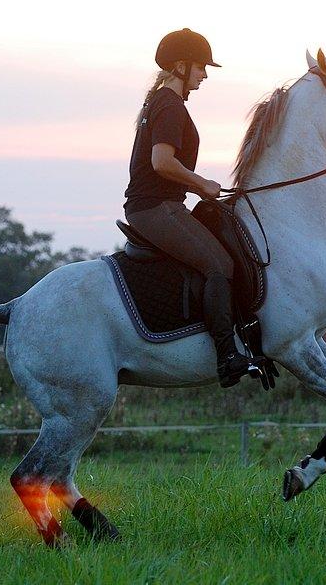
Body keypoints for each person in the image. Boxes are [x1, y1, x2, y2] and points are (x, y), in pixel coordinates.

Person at [123, 28, 257, 388]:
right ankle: (228, 355)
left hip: (158, 204)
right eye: (201, 67)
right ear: (181, 66)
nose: (205, 75)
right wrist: (202, 186)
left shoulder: (162, 102)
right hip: (156, 208)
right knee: (219, 264)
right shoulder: (169, 104)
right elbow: (162, 162)